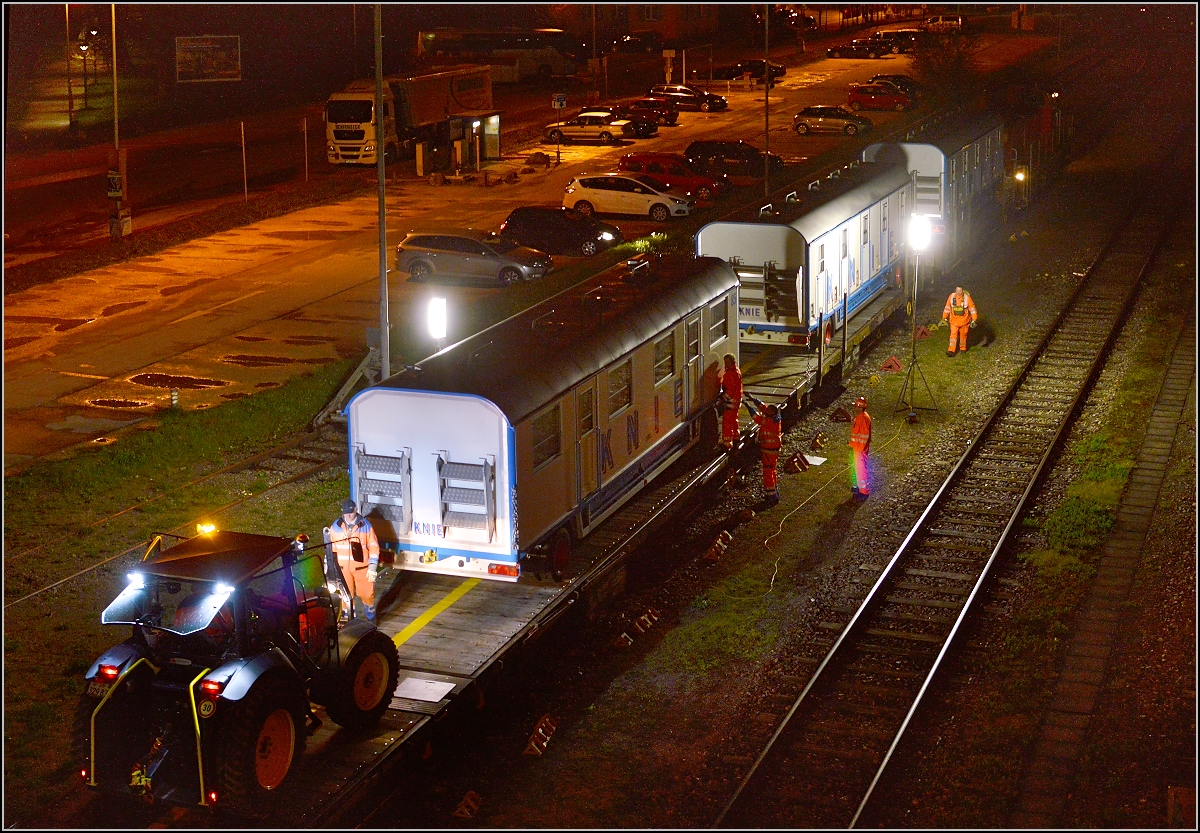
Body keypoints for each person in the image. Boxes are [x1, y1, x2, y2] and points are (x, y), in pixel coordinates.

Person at [328, 498, 380, 622]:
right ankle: (349, 619)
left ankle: (371, 617)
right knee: (346, 596)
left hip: (362, 568)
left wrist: (372, 567)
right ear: (342, 512)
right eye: (346, 513)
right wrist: (329, 567)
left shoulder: (365, 525)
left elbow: (373, 546)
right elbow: (330, 548)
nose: (349, 515)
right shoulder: (335, 527)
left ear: (356, 510)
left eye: (351, 512)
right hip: (343, 569)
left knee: (366, 594)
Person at [747, 395, 782, 506]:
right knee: (772, 470)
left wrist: (748, 407)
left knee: (768, 472)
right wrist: (753, 399)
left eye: (768, 411)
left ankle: (771, 496)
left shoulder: (769, 422)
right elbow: (764, 408)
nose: (766, 411)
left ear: (772, 413)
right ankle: (775, 492)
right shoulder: (775, 418)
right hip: (773, 450)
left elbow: (757, 418)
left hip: (768, 451)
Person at [941, 285, 978, 356]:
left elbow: (972, 308)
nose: (958, 292)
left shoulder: (967, 298)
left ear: (963, 291)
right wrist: (944, 317)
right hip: (954, 321)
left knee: (963, 336)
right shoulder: (951, 297)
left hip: (964, 321)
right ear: (955, 290)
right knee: (953, 336)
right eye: (957, 290)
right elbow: (947, 307)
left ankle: (963, 348)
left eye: (960, 291)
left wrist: (974, 319)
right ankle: (951, 351)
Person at [848, 396, 872, 498]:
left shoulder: (863, 418)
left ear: (860, 407)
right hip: (856, 448)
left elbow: (864, 436)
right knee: (856, 469)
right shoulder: (860, 417)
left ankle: (864, 491)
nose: (854, 409)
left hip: (860, 449)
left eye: (856, 406)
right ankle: (857, 487)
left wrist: (860, 450)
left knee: (861, 470)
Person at [719, 353, 743, 450]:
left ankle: (727, 444)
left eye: (726, 362)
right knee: (734, 420)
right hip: (737, 401)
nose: (725, 364)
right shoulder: (737, 370)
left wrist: (723, 398)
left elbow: (730, 389)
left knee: (727, 423)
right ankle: (736, 436)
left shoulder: (729, 374)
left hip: (731, 403)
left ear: (731, 362)